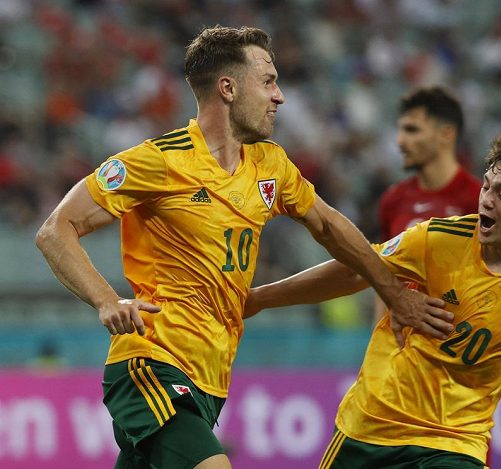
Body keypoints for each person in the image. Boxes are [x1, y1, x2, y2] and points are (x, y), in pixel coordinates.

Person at [34, 26, 454, 469]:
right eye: (268, 81)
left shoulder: (270, 165)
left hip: (210, 381)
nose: (280, 96)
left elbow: (330, 227)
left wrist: (394, 294)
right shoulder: (159, 161)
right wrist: (105, 300)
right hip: (151, 364)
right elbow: (55, 230)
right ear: (228, 88)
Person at [245, 130, 501, 469]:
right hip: (371, 429)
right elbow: (356, 269)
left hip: (455, 444)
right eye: (486, 186)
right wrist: (260, 297)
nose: (486, 201)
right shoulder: (437, 239)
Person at [374, 86, 481, 321]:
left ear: (446, 134)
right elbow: (385, 278)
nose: (400, 141)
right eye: (401, 130)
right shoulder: (393, 200)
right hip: (401, 348)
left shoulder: (479, 200)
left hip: (458, 346)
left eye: (412, 130)